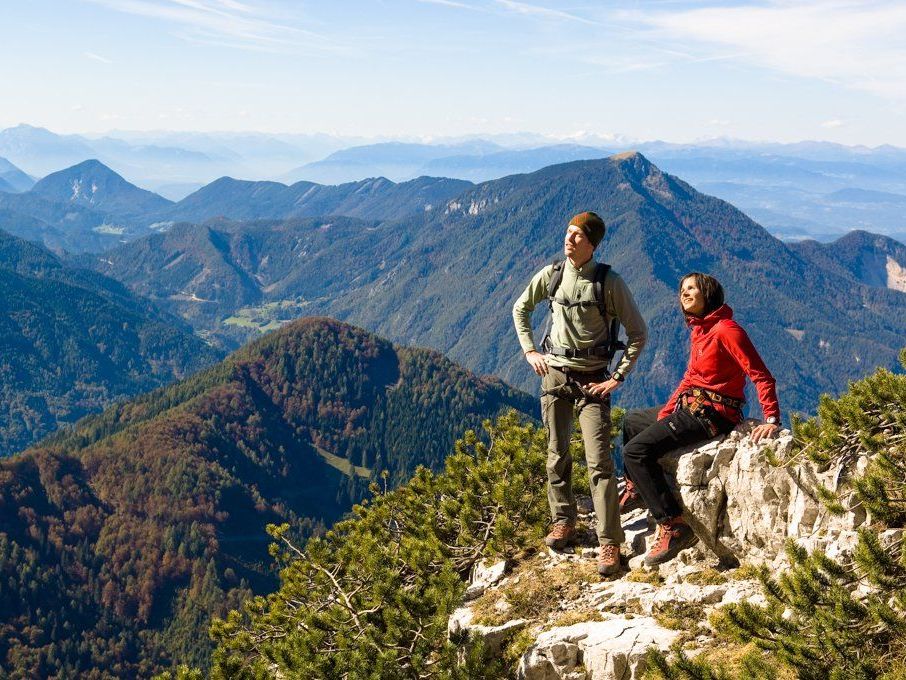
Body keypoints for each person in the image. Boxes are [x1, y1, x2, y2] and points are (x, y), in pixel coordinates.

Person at [512, 212, 647, 576]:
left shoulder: (609, 282)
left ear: (592, 243)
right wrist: (530, 351)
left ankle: (609, 543)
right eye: (568, 233)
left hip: (593, 380)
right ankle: (564, 522)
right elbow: (520, 308)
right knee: (557, 452)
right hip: (554, 373)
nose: (569, 240)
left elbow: (638, 333)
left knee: (599, 462)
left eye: (577, 236)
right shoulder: (552, 274)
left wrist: (617, 378)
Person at [620, 272, 781, 567]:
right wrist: (667, 413)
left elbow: (760, 375)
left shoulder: (726, 330)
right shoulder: (700, 331)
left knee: (635, 452)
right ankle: (637, 488)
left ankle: (673, 524)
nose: (684, 293)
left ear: (708, 294)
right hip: (690, 407)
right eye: (682, 289)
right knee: (631, 421)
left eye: (692, 288)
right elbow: (690, 378)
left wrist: (771, 417)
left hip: (714, 415)